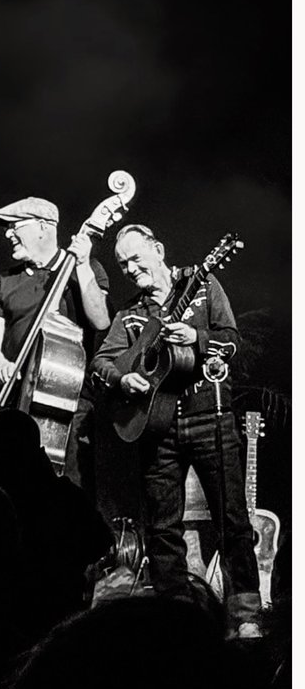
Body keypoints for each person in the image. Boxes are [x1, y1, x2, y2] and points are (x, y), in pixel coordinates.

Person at [89, 223, 260, 635]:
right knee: (163, 528)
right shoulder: (130, 315)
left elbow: (233, 340)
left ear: (159, 249)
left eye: (135, 258)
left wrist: (197, 338)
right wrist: (121, 379)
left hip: (210, 418)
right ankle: (177, 621)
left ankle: (246, 616)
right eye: (122, 264)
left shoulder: (202, 286)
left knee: (232, 521)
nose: (130, 269)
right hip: (155, 429)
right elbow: (101, 362)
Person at [0, 196, 111, 486]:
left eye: (15, 226)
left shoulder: (84, 268)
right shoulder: (5, 281)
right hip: (18, 398)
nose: (8, 234)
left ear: (43, 227)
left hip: (69, 400)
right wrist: (2, 365)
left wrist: (84, 264)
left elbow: (101, 320)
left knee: (68, 484)